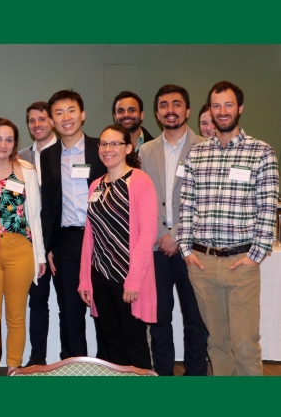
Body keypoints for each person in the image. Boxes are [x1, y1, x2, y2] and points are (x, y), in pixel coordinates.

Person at [178, 81, 279, 376]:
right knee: (217, 344)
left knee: (245, 344)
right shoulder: (196, 154)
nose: (222, 112)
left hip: (241, 263)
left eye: (228, 105)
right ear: (210, 109)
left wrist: (255, 255)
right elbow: (187, 205)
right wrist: (186, 249)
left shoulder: (261, 152)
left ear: (240, 108)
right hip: (202, 264)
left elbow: (268, 206)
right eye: (216, 105)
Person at [139, 84, 207, 376]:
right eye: (164, 105)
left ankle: (194, 376)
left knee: (195, 319)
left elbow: (206, 199)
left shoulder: (205, 148)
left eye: (177, 104)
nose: (170, 110)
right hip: (155, 249)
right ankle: (162, 376)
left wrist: (176, 235)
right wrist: (160, 234)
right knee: (159, 318)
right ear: (157, 113)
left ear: (187, 110)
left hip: (191, 247)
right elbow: (141, 200)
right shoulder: (145, 150)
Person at [78, 124, 157, 370]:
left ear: (128, 148)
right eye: (103, 144)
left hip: (128, 278)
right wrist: (85, 280)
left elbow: (147, 234)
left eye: (115, 144)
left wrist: (134, 280)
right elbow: (89, 235)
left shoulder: (139, 181)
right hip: (100, 276)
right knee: (111, 346)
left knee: (134, 345)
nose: (107, 149)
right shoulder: (96, 185)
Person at [40, 89, 107, 360]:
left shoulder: (101, 147)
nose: (65, 117)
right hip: (67, 241)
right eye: (58, 113)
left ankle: (108, 366)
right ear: (52, 121)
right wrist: (48, 246)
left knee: (104, 307)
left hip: (102, 239)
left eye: (70, 110)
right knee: (69, 310)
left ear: (82, 114)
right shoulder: (48, 155)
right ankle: (73, 366)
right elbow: (48, 204)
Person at [0, 118, 46, 374]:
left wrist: (39, 255)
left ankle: (13, 371)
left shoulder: (26, 171)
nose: (3, 144)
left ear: (15, 144)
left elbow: (35, 216)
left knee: (16, 317)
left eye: (9, 139)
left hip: (20, 249)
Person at [18, 101, 58, 366]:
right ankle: (37, 358)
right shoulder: (20, 157)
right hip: (33, 240)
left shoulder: (66, 151)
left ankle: (73, 358)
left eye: (42, 119)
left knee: (70, 303)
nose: (37, 124)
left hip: (62, 238)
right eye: (32, 120)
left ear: (52, 121)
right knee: (37, 301)